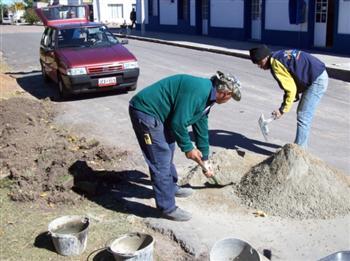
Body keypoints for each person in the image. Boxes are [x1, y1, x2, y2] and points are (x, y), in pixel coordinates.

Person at [129, 72, 241, 221]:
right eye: (231, 97)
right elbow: (178, 123)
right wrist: (188, 148)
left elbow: (201, 124)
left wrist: (205, 158)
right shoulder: (199, 91)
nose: (229, 100)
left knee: (168, 150)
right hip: (147, 113)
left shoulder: (209, 96)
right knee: (160, 160)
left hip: (163, 116)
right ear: (224, 93)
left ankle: (171, 187)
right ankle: (167, 208)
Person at [249, 45, 328, 148]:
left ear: (265, 57)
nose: (260, 67)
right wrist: (284, 106)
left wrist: (282, 110)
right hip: (316, 75)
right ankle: (299, 147)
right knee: (302, 113)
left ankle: (299, 151)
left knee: (303, 115)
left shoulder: (276, 64)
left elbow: (290, 89)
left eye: (259, 63)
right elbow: (292, 83)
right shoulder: (278, 56)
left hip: (316, 80)